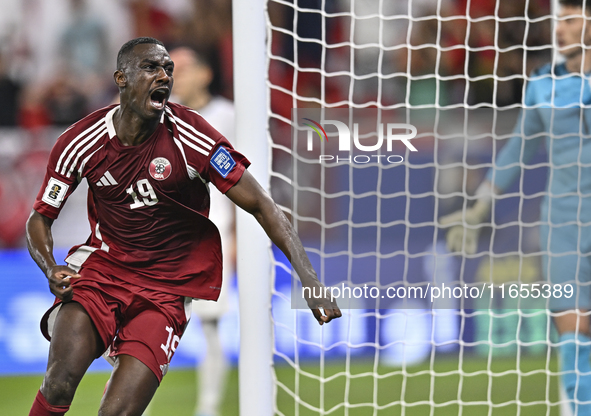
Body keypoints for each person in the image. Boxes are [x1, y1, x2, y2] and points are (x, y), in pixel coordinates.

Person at [26, 37, 341, 416]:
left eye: (168, 70)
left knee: (118, 413)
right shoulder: (80, 142)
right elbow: (41, 217)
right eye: (150, 68)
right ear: (121, 79)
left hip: (166, 288)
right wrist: (49, 265)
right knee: (59, 380)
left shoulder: (193, 136)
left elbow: (262, 204)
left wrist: (310, 279)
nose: (163, 76)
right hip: (103, 271)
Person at [440, 1, 591, 413]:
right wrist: (478, 208)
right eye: (560, 20)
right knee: (574, 332)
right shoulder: (543, 86)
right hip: (562, 222)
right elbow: (516, 152)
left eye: (572, 20)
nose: (561, 29)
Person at [168, 46, 235, 416]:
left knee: (210, 327)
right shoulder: (162, 116)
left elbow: (248, 179)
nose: (176, 76)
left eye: (183, 68)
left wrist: (241, 236)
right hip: (166, 237)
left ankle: (207, 409)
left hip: (215, 235)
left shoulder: (229, 115)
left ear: (204, 73)